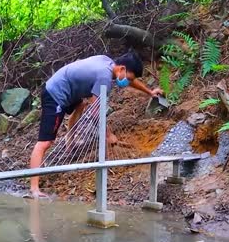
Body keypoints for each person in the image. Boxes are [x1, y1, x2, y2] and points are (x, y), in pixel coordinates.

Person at [29, 51, 162, 198]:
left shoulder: (109, 63)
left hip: (72, 89)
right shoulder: (104, 77)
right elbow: (95, 112)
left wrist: (149, 92)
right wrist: (108, 134)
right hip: (56, 93)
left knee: (80, 106)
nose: (127, 82)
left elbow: (131, 80)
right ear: (122, 69)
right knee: (45, 142)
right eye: (129, 78)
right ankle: (34, 188)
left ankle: (69, 141)